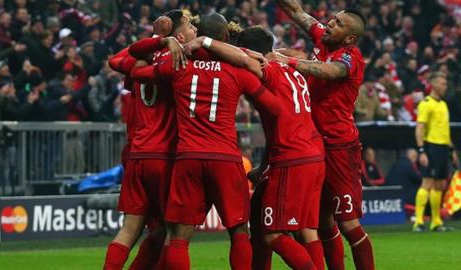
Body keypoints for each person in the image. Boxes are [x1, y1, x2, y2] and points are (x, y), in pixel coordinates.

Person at [131, 13, 281, 270]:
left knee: (179, 237)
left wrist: (156, 46)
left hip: (188, 158)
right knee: (239, 232)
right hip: (225, 158)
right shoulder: (237, 71)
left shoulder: (179, 65)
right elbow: (275, 108)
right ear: (225, 39)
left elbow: (136, 71)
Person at [183, 26, 325, 270]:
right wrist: (264, 165)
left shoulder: (266, 69)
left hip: (292, 157)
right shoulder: (291, 68)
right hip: (312, 154)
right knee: (300, 230)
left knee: (272, 234)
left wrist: (205, 41)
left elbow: (245, 60)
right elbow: (277, 124)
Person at [272, 1, 374, 269]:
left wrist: (289, 60)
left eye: (338, 23)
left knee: (348, 223)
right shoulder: (322, 38)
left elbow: (331, 71)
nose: (330, 23)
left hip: (340, 147)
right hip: (313, 146)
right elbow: (296, 12)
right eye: (333, 19)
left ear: (350, 37)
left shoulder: (351, 56)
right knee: (321, 219)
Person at [103, 11, 195, 270]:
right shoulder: (178, 60)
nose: (193, 29)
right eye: (189, 25)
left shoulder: (137, 64)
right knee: (173, 232)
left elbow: (115, 59)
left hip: (136, 153)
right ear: (177, 34)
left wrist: (156, 38)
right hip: (165, 155)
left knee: (129, 230)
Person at [413, 72, 458, 232]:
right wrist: (421, 151)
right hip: (430, 146)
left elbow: (445, 131)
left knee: (440, 184)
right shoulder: (426, 103)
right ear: (434, 85)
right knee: (427, 182)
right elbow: (419, 128)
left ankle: (436, 221)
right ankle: (418, 222)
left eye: (445, 84)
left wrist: (451, 150)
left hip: (443, 148)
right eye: (442, 83)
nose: (445, 87)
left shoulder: (443, 105)